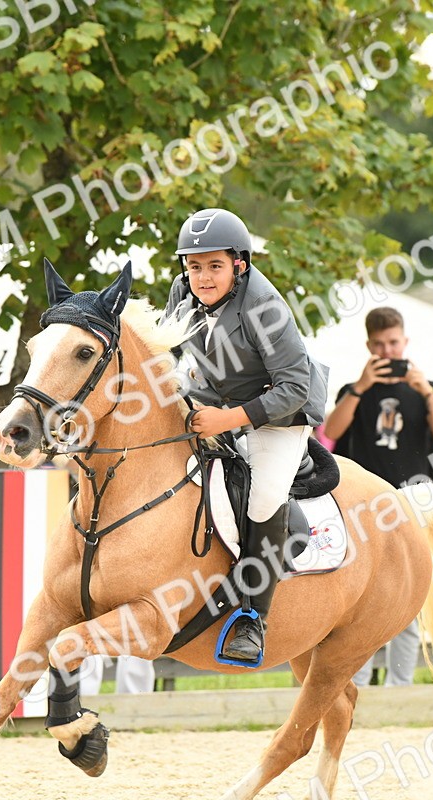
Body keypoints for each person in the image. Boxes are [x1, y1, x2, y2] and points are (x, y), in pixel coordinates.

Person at [165, 207, 329, 663]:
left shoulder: (265, 306)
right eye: (194, 266)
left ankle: (253, 617)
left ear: (239, 263)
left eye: (214, 266)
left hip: (278, 413)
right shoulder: (182, 291)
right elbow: (167, 352)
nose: (202, 277)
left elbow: (293, 387)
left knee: (262, 499)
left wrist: (227, 420)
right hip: (211, 401)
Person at [321, 306, 433, 686]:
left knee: (409, 602)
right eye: (380, 345)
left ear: (405, 341)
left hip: (413, 502)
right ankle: (358, 685)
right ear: (369, 346)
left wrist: (426, 391)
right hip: (364, 505)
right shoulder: (355, 390)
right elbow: (331, 431)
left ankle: (400, 687)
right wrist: (360, 387)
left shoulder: (427, 389)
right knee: (360, 599)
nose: (388, 352)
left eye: (394, 343)